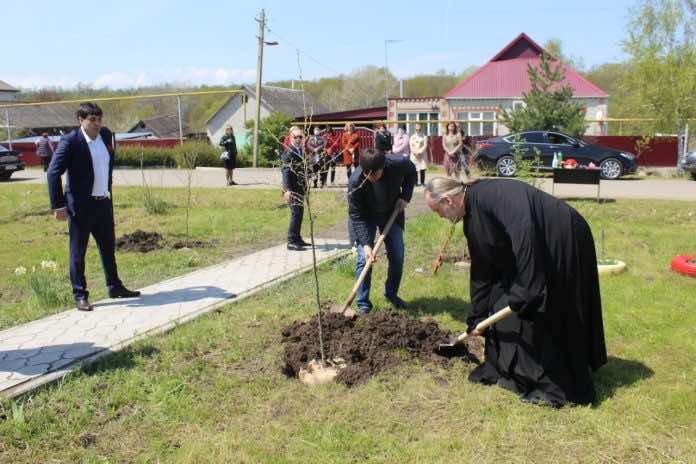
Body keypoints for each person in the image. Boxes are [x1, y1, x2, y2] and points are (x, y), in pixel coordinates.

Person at [424, 176, 607, 407]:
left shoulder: (490, 195)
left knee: (552, 303)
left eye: (437, 211)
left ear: (448, 201)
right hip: (536, 241)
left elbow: (523, 229)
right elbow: (483, 271)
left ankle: (558, 384)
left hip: (562, 235)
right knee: (506, 295)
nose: (440, 217)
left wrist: (528, 285)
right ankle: (508, 368)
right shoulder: (472, 217)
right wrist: (477, 316)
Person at [47, 102, 140, 312]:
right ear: (81, 120)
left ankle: (114, 286)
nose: (97, 123)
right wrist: (58, 205)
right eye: (92, 120)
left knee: (108, 248)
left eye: (99, 119)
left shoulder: (105, 135)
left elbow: (107, 165)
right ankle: (80, 295)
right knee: (78, 252)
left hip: (103, 203)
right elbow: (53, 172)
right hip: (81, 207)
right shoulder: (71, 141)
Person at [348, 148, 417, 313]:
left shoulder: (397, 163)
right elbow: (357, 215)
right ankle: (363, 304)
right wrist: (366, 244)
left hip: (391, 211)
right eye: (367, 174)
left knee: (397, 255)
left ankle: (391, 294)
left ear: (383, 167)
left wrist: (405, 197)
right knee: (363, 259)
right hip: (366, 217)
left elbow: (411, 172)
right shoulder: (355, 181)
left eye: (375, 174)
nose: (370, 177)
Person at [281, 126, 311, 251]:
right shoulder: (288, 152)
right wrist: (287, 190)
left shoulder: (301, 151)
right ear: (290, 138)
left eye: (300, 137)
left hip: (300, 187)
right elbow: (285, 172)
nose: (298, 139)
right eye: (295, 137)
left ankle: (297, 238)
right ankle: (291, 241)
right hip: (292, 188)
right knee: (296, 214)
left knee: (300, 213)